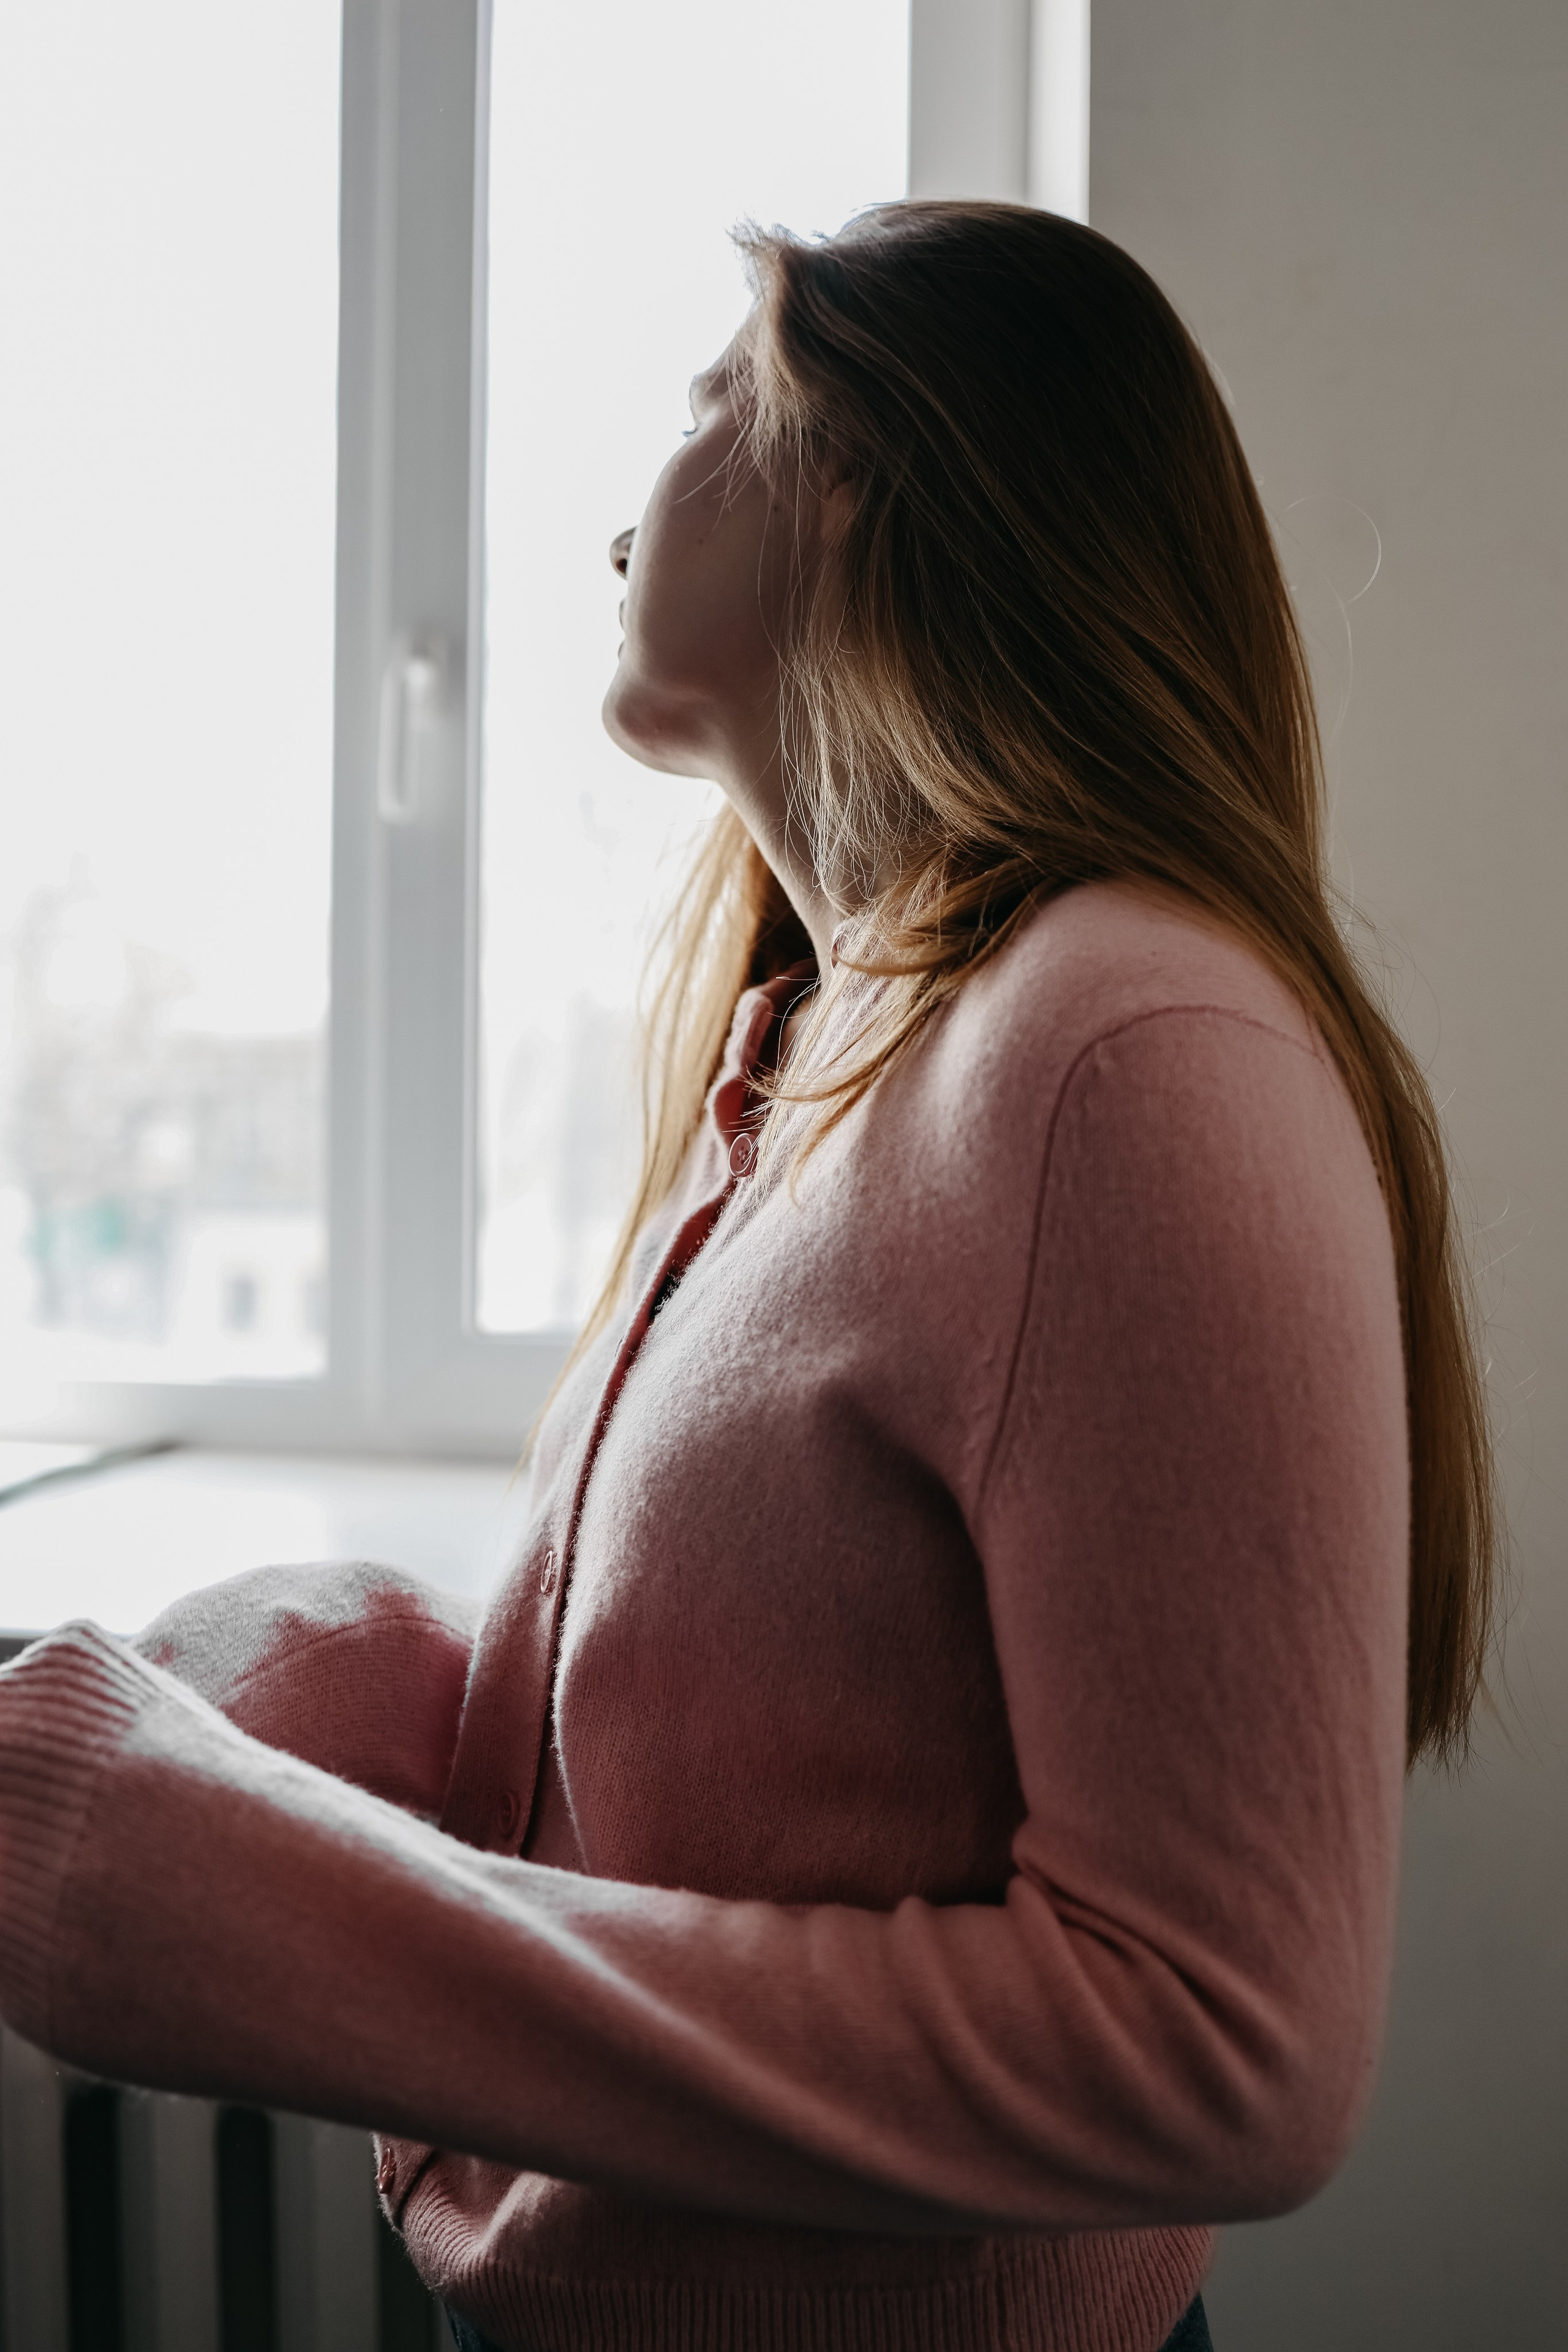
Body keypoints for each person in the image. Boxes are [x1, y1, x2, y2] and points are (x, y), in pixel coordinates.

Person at [0, 203, 1496, 2352]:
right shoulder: (808, 1050)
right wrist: (257, 1682)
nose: (629, 499)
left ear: (861, 471)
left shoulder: (1120, 1050)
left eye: (711, 395)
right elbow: (749, 1728)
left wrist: (236, 1901)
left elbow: (1217, 2054)